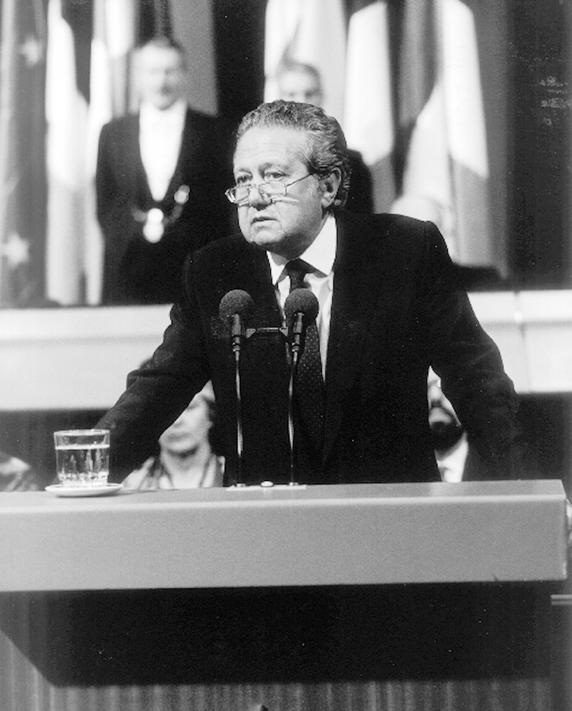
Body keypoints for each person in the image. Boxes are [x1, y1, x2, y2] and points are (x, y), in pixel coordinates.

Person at [97, 99, 532, 487]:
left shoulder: (404, 252)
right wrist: (87, 473)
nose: (255, 197)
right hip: (265, 537)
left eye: (273, 176)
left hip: (391, 526)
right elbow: (157, 389)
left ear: (327, 186)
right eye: (243, 180)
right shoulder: (213, 272)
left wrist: (520, 495)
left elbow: (478, 382)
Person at [95, 36, 233, 305]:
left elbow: (222, 207)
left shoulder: (215, 132)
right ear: (137, 76)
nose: (161, 81)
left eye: (170, 71)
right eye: (153, 71)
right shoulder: (112, 133)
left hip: (192, 274)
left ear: (184, 74)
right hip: (127, 274)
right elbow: (105, 204)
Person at [275, 60, 373, 214]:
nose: (301, 101)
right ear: (277, 100)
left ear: (321, 97)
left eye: (309, 93)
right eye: (291, 94)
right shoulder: (261, 160)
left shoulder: (353, 165)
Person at [123, 384, 223, 490]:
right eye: (164, 410)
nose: (176, 421)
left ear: (211, 414)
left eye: (189, 407)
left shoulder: (236, 478)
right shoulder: (129, 485)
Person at [427, 369, 489, 482]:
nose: (435, 397)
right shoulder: (398, 471)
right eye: (424, 390)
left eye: (444, 387)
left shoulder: (506, 464)